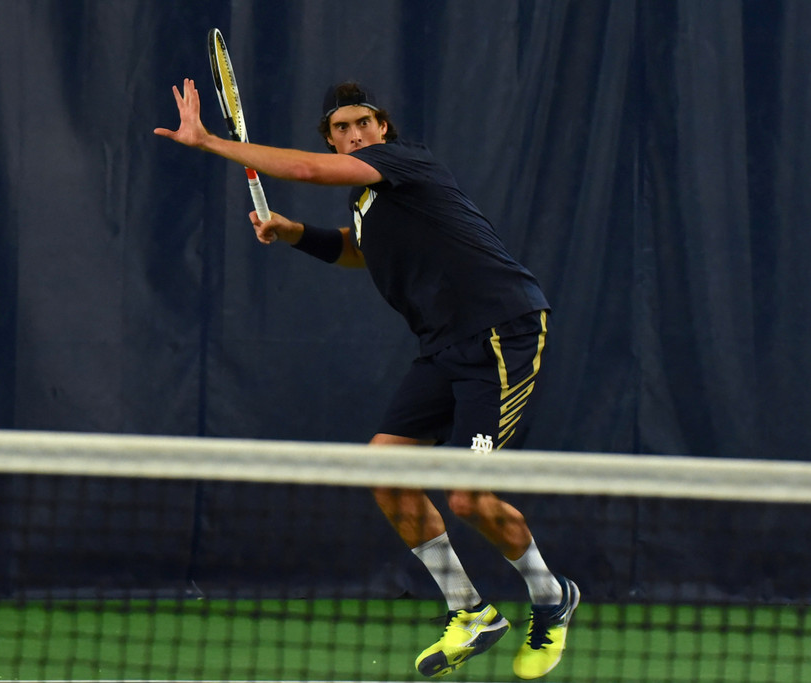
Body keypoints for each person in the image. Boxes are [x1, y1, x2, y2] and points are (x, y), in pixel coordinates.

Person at [155, 78, 579, 679]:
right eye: (341, 128)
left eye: (363, 123)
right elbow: (359, 250)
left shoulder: (401, 163)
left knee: (468, 497)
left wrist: (211, 143)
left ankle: (551, 594)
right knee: (383, 468)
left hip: (498, 331)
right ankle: (471, 610)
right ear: (331, 139)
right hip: (441, 345)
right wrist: (294, 232)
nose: (355, 134)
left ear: (383, 129)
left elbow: (304, 172)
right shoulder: (368, 202)